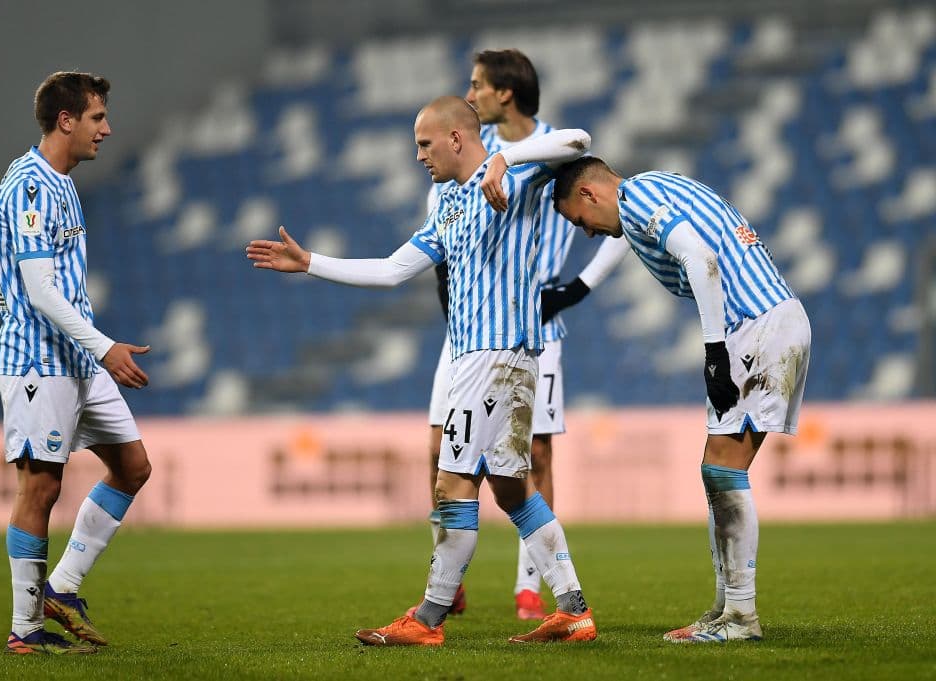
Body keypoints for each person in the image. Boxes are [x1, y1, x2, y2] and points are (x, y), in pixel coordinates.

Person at [247, 96, 597, 646]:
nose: (418, 156)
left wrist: (507, 157)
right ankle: (574, 611)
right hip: (494, 358)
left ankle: (428, 620)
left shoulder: (514, 173)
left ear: (456, 138)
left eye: (425, 144)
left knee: (452, 483)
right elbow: (392, 270)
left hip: (493, 355)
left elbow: (579, 141)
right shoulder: (449, 205)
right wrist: (311, 262)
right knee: (511, 490)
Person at [532, 156, 811, 643]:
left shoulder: (637, 197)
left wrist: (714, 352)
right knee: (718, 470)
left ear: (589, 194)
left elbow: (700, 259)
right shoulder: (656, 187)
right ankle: (727, 609)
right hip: (771, 317)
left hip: (755, 324)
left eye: (580, 221)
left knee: (724, 470)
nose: (588, 233)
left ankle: (740, 616)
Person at [416, 49, 607, 621]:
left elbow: (603, 188)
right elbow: (430, 252)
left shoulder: (542, 150)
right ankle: (457, 580)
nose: (470, 93)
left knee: (526, 460)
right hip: (469, 328)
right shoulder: (455, 167)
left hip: (528, 324)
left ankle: (523, 590)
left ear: (506, 92)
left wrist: (578, 287)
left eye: (477, 84)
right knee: (451, 455)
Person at [0, 72, 153, 655]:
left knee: (132, 466)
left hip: (77, 360)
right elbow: (39, 290)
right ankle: (25, 629)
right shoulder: (31, 186)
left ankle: (60, 588)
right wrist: (104, 346)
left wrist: (93, 352)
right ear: (66, 120)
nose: (106, 129)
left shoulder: (61, 183)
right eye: (97, 117)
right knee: (41, 487)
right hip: (38, 361)